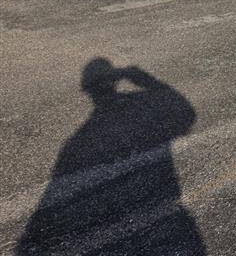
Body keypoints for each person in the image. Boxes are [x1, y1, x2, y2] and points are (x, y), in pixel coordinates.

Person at [16, 58, 205, 255]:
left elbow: (185, 115)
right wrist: (135, 74)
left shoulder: (81, 137)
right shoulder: (85, 134)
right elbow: (185, 114)